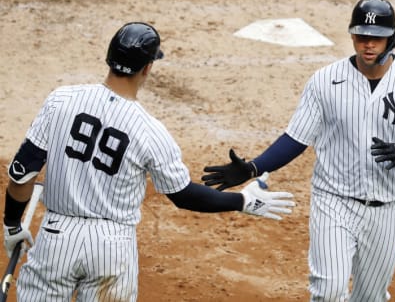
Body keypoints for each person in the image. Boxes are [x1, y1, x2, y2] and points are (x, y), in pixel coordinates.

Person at [2, 21, 295, 301]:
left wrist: (13, 224)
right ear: (148, 68)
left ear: (109, 57)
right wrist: (241, 201)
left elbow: (22, 174)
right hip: (112, 249)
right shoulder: (150, 131)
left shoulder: (60, 101)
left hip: (56, 237)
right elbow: (183, 196)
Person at [202, 0, 395, 302]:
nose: (368, 45)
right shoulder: (325, 81)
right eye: (361, 37)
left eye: (377, 38)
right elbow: (297, 138)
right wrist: (253, 167)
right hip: (334, 201)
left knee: (370, 297)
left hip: (386, 207)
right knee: (329, 291)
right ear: (352, 36)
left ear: (392, 38)